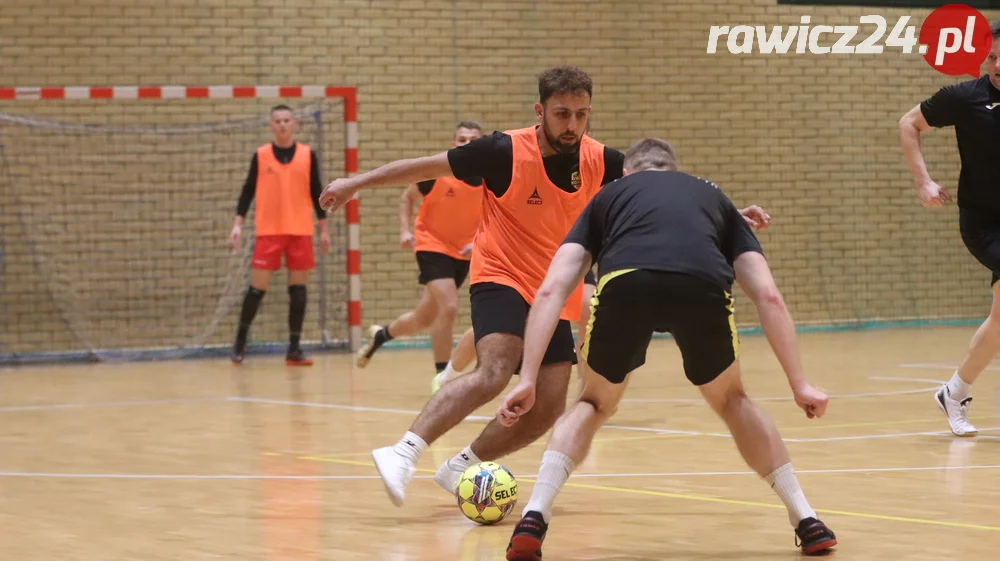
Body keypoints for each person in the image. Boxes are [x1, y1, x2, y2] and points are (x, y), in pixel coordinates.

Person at [319, 66, 770, 508]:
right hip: (500, 273)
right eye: (562, 114)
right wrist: (355, 183)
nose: (572, 124)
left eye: (581, 114)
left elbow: (665, 186)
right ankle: (403, 452)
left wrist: (728, 211)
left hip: (555, 288)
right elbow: (427, 167)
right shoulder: (501, 151)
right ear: (540, 110)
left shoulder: (603, 159)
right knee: (495, 370)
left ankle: (462, 464)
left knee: (550, 403)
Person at [497, 138, 836, 559]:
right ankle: (807, 519)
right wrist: (799, 383)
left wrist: (527, 378)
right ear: (674, 169)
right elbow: (768, 296)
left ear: (627, 173)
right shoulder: (713, 196)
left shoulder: (609, 196)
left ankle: (534, 515)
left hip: (626, 284)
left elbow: (552, 290)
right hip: (700, 284)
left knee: (593, 403)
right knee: (732, 399)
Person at [897, 21, 1000, 437]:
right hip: (985, 223)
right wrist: (923, 181)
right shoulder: (966, 97)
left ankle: (954, 392)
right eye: (992, 57)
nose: (996, 64)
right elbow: (908, 124)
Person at [353, 121, 485, 391]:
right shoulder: (437, 174)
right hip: (431, 244)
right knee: (448, 307)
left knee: (425, 317)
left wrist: (478, 242)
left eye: (473, 139)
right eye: (462, 139)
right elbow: (406, 198)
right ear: (453, 144)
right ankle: (441, 376)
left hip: (464, 251)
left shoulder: (489, 179)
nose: (467, 144)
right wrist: (404, 231)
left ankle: (381, 335)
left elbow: (495, 217)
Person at [229, 104, 331, 365]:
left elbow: (318, 192)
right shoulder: (261, 155)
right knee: (256, 290)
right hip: (269, 231)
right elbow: (247, 191)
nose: (283, 125)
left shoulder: (308, 155)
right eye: (278, 121)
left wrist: (323, 230)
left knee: (298, 290)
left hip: (300, 231)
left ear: (294, 124)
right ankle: (240, 341)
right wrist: (237, 224)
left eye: (287, 120)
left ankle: (294, 349)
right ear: (271, 126)